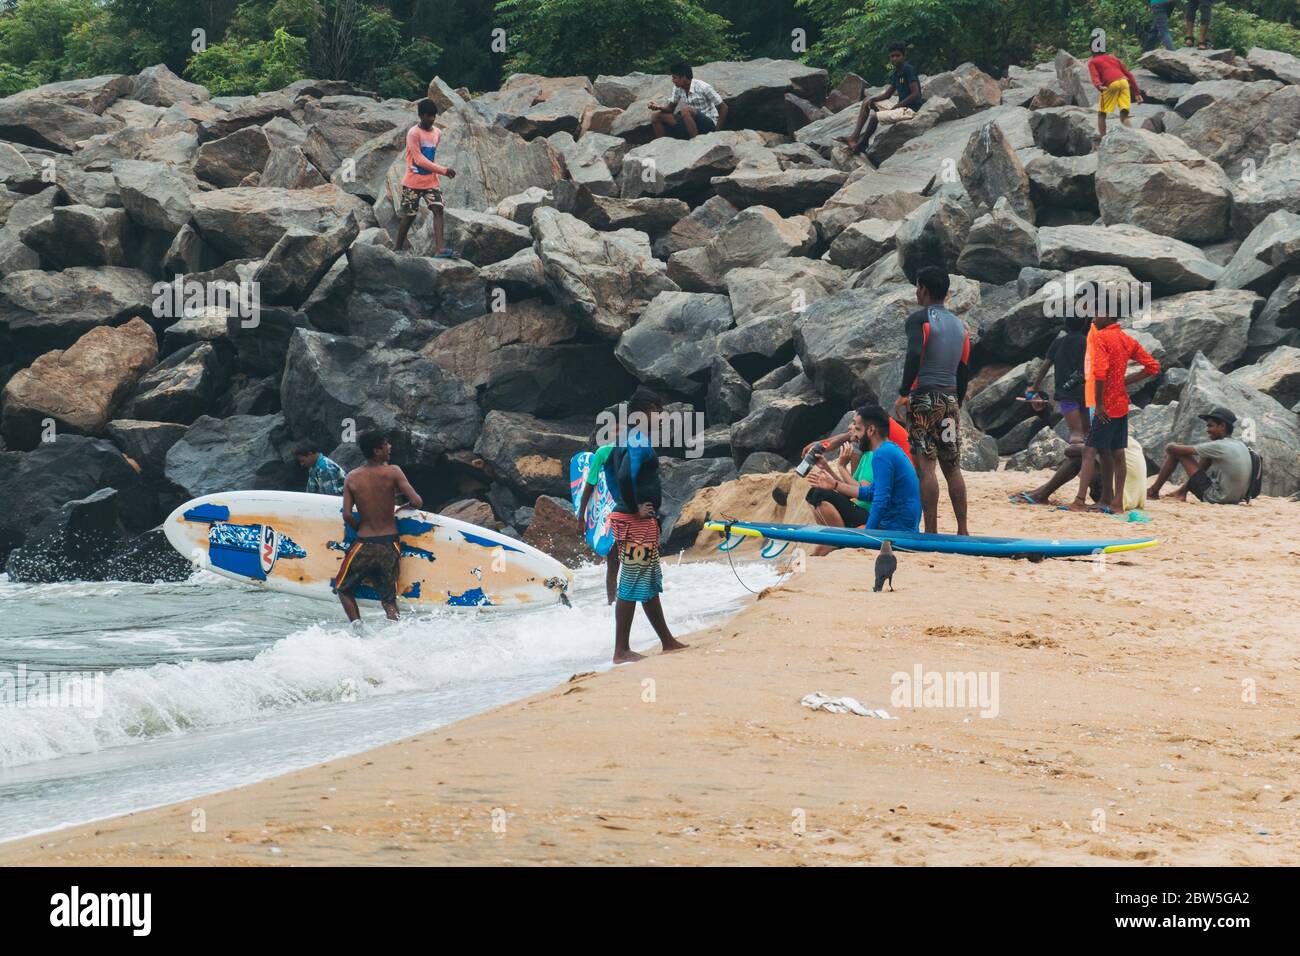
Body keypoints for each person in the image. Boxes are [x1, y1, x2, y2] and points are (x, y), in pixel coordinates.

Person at [604, 389, 688, 664]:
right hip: (636, 525)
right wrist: (634, 508)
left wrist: (623, 504)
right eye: (657, 410)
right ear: (644, 412)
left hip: (632, 521)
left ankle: (667, 641)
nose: (661, 417)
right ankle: (621, 651)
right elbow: (625, 475)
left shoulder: (621, 439)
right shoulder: (638, 440)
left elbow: (609, 474)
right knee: (631, 583)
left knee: (648, 584)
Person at [1065, 283, 1161, 514]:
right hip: (1121, 404)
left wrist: (1098, 404)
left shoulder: (1101, 338)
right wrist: (1125, 382)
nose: (1092, 318)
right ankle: (1116, 503)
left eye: (1096, 313)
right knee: (1116, 453)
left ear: (1107, 315)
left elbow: (1098, 373)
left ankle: (1079, 500)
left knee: (1090, 451)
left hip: (1105, 405)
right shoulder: (1126, 339)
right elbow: (1153, 366)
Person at [894, 265, 971, 535]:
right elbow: (963, 370)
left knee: (926, 468)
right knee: (952, 467)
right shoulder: (961, 328)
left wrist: (904, 392)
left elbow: (914, 354)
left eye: (918, 287)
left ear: (923, 289)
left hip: (925, 398)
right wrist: (956, 404)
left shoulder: (919, 319)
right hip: (950, 400)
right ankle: (962, 530)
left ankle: (932, 531)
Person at [333, 430, 422, 623]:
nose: (390, 447)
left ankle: (358, 630)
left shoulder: (352, 477)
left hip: (364, 543)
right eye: (386, 444)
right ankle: (396, 634)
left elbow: (347, 515)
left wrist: (361, 528)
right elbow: (417, 501)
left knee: (343, 589)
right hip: (390, 544)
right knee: (388, 600)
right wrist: (403, 508)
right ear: (376, 451)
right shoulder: (393, 472)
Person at [806, 405, 920, 554]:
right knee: (827, 541)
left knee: (834, 539)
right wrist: (834, 484)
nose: (855, 436)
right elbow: (870, 492)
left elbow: (880, 501)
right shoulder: (888, 450)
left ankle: (839, 547)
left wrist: (868, 534)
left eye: (858, 429)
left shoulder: (882, 455)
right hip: (898, 526)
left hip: (896, 530)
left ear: (871, 430)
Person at [1010, 314, 1091, 505]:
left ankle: (1077, 486)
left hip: (1067, 395)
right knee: (1087, 436)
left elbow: (1045, 367)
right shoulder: (1087, 342)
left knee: (1076, 438)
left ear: (1065, 324)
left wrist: (1035, 387)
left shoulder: (1059, 343)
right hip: (1086, 394)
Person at [1148, 407, 1252, 504]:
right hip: (1237, 499)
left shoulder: (1218, 446)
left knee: (1177, 451)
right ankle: (1180, 492)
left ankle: (1153, 492)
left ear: (1222, 426)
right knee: (1206, 455)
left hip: (1217, 497)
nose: (1207, 430)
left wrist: (1171, 445)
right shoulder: (1240, 444)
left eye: (1210, 425)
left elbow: (1172, 449)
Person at [394, 99, 457, 257]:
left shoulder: (437, 133)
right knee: (409, 216)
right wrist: (443, 170)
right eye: (428, 116)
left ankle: (440, 249)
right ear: (421, 115)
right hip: (412, 183)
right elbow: (419, 160)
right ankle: (397, 248)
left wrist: (438, 172)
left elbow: (431, 157)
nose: (432, 119)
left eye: (434, 116)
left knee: (438, 209)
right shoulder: (413, 133)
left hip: (430, 182)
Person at [836, 42, 922, 156]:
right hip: (901, 107)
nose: (894, 58)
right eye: (892, 56)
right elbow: (887, 94)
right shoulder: (896, 73)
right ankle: (854, 137)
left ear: (903, 56)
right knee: (867, 102)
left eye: (897, 55)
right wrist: (872, 99)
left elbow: (915, 93)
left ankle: (863, 144)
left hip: (910, 110)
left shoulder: (908, 69)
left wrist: (898, 105)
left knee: (874, 117)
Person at [577, 442, 620, 605]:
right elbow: (589, 485)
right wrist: (581, 517)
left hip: (631, 510)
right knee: (613, 560)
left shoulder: (638, 449)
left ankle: (638, 600)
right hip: (612, 513)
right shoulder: (604, 452)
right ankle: (612, 603)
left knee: (637, 561)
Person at [648, 62, 727, 140]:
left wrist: (717, 132)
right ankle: (662, 145)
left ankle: (695, 143)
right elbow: (670, 109)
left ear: (683, 77)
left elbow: (723, 107)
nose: (673, 80)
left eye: (674, 77)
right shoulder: (678, 87)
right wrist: (659, 107)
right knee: (656, 117)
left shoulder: (703, 87)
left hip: (708, 124)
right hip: (690, 124)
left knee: (686, 110)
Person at [1088, 45, 1143, 137]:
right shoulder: (1113, 59)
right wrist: (1137, 93)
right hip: (1124, 82)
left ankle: (1103, 138)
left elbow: (1095, 76)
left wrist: (1098, 85)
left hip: (1111, 84)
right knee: (1124, 114)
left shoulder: (1093, 62)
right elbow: (1129, 75)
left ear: (1090, 50)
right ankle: (1133, 136)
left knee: (1101, 114)